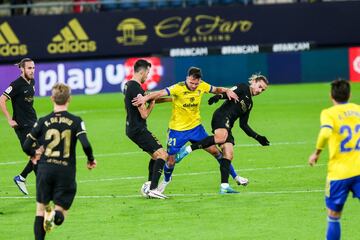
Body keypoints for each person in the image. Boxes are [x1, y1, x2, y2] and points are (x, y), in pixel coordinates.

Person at [132, 66, 249, 194]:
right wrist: (144, 98)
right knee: (170, 161)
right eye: (191, 83)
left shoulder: (202, 85)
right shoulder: (178, 87)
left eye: (196, 83)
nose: (193, 86)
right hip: (177, 130)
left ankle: (235, 177)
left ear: (199, 81)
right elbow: (159, 93)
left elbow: (216, 89)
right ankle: (165, 181)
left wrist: (228, 90)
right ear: (187, 79)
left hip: (196, 128)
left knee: (216, 152)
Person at [22, 83, 97, 240]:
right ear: (69, 99)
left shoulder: (42, 121)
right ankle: (57, 214)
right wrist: (90, 159)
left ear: (52, 98)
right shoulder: (76, 121)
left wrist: (33, 154)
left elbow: (26, 145)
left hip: (44, 170)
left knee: (40, 211)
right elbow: (86, 144)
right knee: (61, 212)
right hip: (65, 171)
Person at [176, 74, 270, 194]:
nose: (260, 90)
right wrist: (218, 96)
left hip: (228, 126)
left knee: (228, 154)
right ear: (254, 82)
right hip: (221, 116)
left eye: (263, 89)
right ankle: (187, 150)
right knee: (221, 138)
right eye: (259, 86)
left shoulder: (249, 104)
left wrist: (258, 137)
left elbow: (244, 125)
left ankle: (224, 186)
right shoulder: (243, 87)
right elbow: (229, 92)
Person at [308, 79, 360, 240]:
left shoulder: (328, 113)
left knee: (334, 215)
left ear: (331, 96)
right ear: (349, 94)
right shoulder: (358, 110)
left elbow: (325, 133)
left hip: (339, 174)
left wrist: (317, 152)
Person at [124, 59, 168, 199]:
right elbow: (144, 114)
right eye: (148, 72)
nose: (148, 76)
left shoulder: (129, 86)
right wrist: (152, 104)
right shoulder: (136, 88)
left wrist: (173, 99)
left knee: (156, 156)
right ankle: (154, 188)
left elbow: (150, 97)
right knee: (162, 155)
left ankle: (150, 186)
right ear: (142, 71)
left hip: (132, 128)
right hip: (138, 129)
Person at [0, 58, 37, 195]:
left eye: (33, 68)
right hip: (22, 126)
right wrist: (9, 119)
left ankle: (21, 178)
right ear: (22, 69)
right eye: (29, 68)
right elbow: (2, 100)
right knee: (37, 154)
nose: (32, 70)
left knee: (39, 154)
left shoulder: (32, 82)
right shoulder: (16, 85)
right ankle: (44, 190)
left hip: (33, 122)